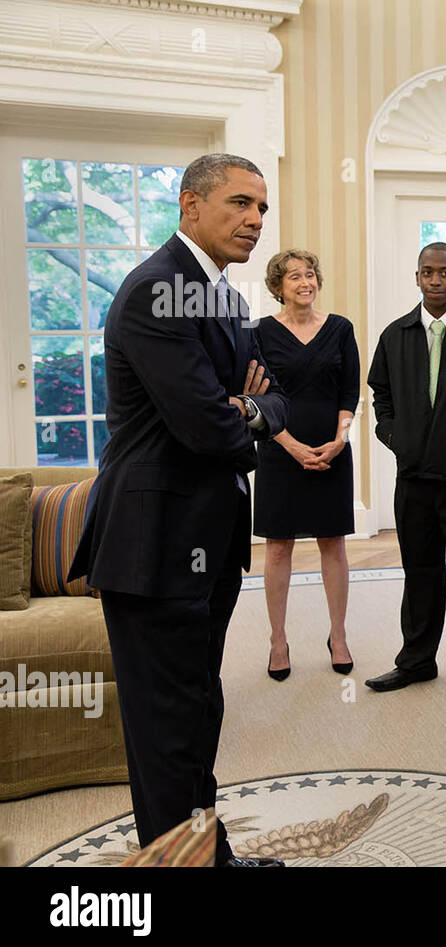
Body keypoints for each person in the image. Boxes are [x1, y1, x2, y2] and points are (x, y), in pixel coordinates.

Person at [68, 153, 289, 867]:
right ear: (190, 206)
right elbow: (208, 429)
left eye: (261, 206)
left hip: (208, 537)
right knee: (167, 730)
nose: (255, 219)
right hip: (155, 544)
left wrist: (246, 406)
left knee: (197, 710)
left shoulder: (220, 294)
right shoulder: (154, 290)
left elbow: (274, 397)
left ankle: (209, 858)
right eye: (238, 203)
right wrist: (243, 413)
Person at [365, 243, 446, 695]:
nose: (436, 280)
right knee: (419, 571)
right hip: (414, 480)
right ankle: (417, 660)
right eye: (428, 272)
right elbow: (380, 396)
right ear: (417, 277)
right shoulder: (395, 334)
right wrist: (394, 436)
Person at [253, 249, 361, 680]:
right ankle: (278, 640)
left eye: (310, 274)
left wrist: (340, 440)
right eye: (294, 276)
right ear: (278, 286)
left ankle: (338, 634)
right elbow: (256, 399)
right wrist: (290, 445)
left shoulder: (340, 329)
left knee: (332, 542)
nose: (305, 282)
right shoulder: (258, 333)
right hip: (279, 450)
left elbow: (349, 393)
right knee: (279, 546)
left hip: (332, 450)